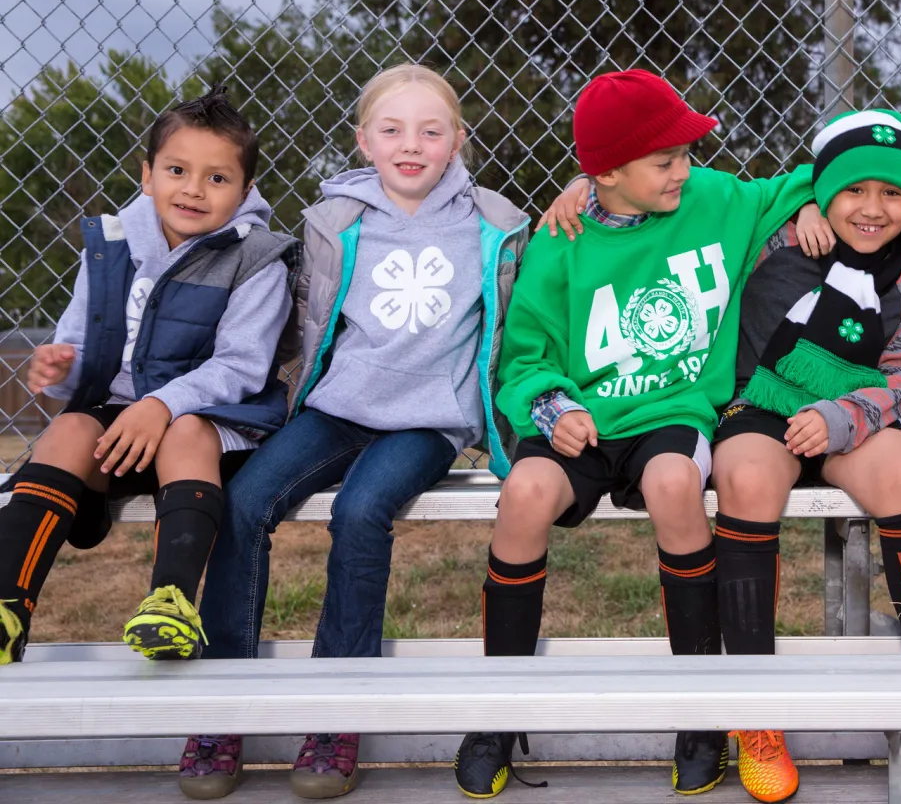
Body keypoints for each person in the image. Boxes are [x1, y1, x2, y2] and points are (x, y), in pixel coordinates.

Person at [453, 69, 819, 800]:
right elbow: (525, 357)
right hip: (582, 417)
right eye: (665, 160)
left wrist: (879, 159)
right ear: (607, 174)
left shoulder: (714, 198)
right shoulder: (560, 240)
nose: (684, 170)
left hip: (671, 412)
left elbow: (806, 180)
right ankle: (497, 710)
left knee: (674, 481)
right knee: (524, 494)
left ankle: (700, 711)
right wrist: (554, 408)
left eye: (686, 153)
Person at [179, 64, 530, 801]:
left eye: (431, 131)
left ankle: (338, 711)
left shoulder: (496, 225)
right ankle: (220, 705)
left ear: (457, 141)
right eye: (392, 130)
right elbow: (303, 314)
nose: (412, 145)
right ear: (365, 141)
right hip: (339, 406)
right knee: (244, 504)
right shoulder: (335, 220)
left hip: (429, 418)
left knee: (361, 510)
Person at [711, 109, 901, 802]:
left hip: (851, 409)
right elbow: (714, 191)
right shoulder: (776, 235)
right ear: (823, 190)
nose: (872, 208)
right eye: (854, 190)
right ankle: (754, 712)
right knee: (745, 477)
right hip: (761, 402)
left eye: (891, 193)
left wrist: (842, 417)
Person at [0, 85, 295, 668]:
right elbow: (80, 345)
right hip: (120, 428)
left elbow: (241, 366)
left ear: (246, 191)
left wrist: (161, 406)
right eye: (177, 170)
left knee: (184, 431)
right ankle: (7, 606)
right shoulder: (110, 246)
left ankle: (171, 604)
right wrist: (62, 369)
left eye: (217, 178)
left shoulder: (257, 258)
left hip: (210, 426)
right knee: (68, 429)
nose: (193, 189)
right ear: (147, 175)